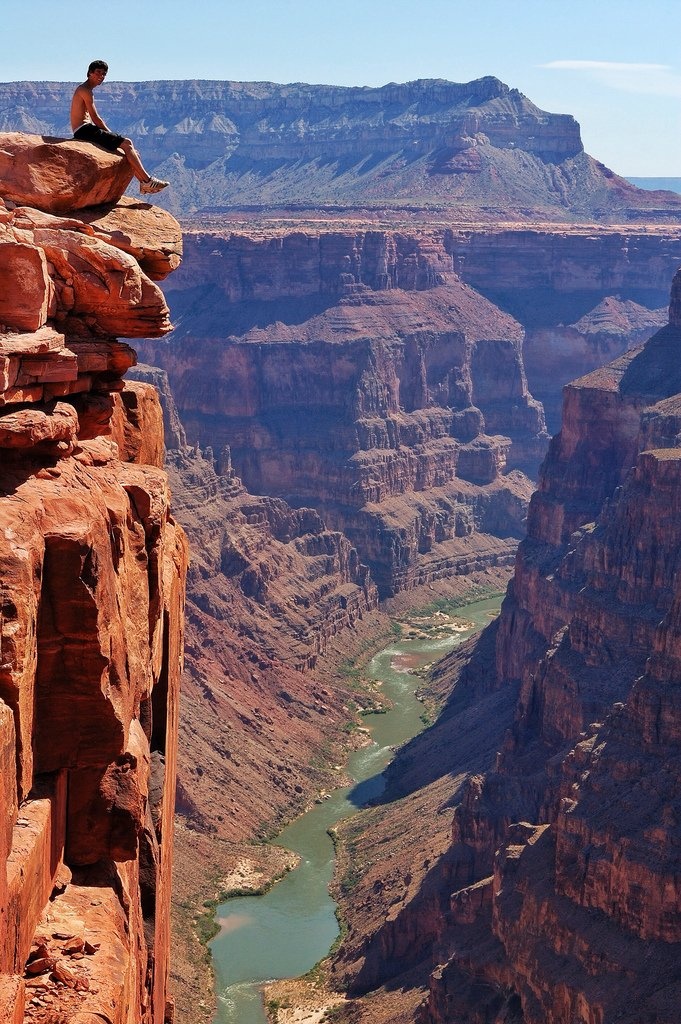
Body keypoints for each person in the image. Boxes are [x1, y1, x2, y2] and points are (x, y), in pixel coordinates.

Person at [71, 60, 169, 195]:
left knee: (128, 147)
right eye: (98, 72)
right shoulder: (85, 90)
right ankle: (147, 180)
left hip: (84, 129)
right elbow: (95, 118)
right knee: (126, 143)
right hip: (83, 130)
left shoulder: (85, 89)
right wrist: (112, 135)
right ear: (89, 73)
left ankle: (144, 183)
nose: (101, 76)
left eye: (104, 74)